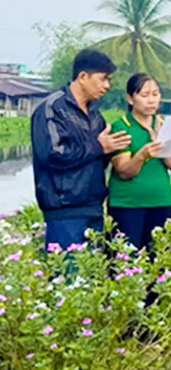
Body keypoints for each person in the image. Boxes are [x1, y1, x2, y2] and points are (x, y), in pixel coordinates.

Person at [31, 49, 131, 252]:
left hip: (93, 206)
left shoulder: (95, 115)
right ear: (83, 76)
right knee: (67, 277)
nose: (107, 86)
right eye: (103, 79)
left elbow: (98, 158)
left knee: (91, 276)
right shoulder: (52, 109)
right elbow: (53, 154)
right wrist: (98, 146)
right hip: (64, 209)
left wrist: (112, 150)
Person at [107, 73, 171, 251]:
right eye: (144, 95)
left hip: (161, 201)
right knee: (126, 261)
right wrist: (142, 154)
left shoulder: (163, 125)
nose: (151, 101)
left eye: (155, 95)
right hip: (128, 205)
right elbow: (124, 171)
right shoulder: (121, 126)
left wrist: (163, 145)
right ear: (130, 99)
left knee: (158, 261)